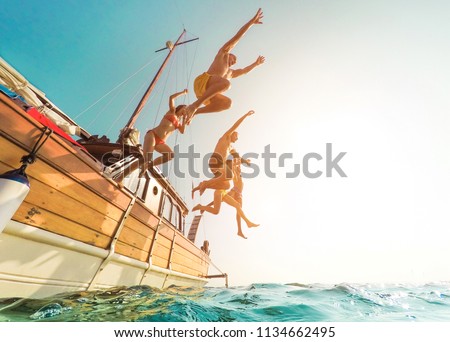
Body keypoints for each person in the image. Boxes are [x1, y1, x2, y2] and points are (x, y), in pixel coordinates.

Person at [184, 8, 265, 123]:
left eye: (235, 62)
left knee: (228, 104)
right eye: (234, 58)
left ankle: (195, 112)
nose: (234, 61)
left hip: (206, 94)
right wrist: (251, 22)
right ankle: (195, 105)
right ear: (230, 54)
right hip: (202, 82)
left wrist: (256, 64)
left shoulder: (231, 73)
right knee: (226, 84)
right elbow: (237, 37)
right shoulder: (223, 54)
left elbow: (244, 71)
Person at [191, 110, 254, 197]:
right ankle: (205, 183)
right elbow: (235, 125)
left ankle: (204, 185)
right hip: (216, 159)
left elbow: (237, 157)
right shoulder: (226, 137)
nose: (237, 139)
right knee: (230, 175)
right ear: (232, 134)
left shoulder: (231, 148)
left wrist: (245, 161)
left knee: (226, 185)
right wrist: (245, 115)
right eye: (236, 136)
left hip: (219, 166)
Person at [198, 157, 253, 239]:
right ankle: (241, 229)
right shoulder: (235, 171)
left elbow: (238, 163)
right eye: (239, 167)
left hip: (239, 194)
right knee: (232, 205)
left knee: (237, 209)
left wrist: (245, 161)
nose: (240, 168)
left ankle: (239, 231)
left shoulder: (238, 173)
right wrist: (240, 163)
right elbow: (235, 163)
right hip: (235, 191)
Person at [141, 89, 188, 174]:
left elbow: (182, 131)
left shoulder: (179, 123)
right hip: (153, 135)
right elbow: (171, 98)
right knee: (146, 159)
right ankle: (123, 175)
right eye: (185, 108)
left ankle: (149, 165)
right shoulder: (172, 111)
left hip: (161, 142)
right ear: (181, 107)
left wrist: (184, 119)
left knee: (171, 155)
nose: (186, 110)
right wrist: (183, 92)